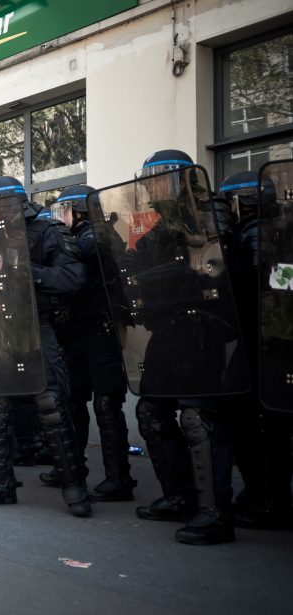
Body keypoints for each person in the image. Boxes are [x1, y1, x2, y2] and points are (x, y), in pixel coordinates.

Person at [122, 149, 236, 544]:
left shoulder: (210, 214)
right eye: (148, 180)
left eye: (158, 179)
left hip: (203, 330)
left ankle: (214, 511)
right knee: (151, 410)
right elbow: (137, 268)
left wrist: (160, 272)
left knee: (198, 418)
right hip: (167, 332)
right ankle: (179, 496)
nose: (152, 187)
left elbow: (215, 265)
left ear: (180, 179)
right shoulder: (157, 226)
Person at [0, 176, 92, 517]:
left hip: (38, 327)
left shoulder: (47, 231)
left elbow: (73, 278)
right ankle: (1, 482)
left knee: (51, 405)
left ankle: (74, 486)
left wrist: (27, 271)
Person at [44, 185, 136, 501]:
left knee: (106, 403)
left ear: (79, 210)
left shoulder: (97, 235)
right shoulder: (81, 236)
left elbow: (83, 255)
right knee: (72, 401)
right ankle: (71, 467)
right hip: (78, 330)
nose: (60, 218)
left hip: (101, 329)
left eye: (64, 211)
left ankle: (119, 478)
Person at [219, 170, 292, 530]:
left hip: (265, 342)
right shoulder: (276, 231)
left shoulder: (257, 236)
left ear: (241, 202)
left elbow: (252, 290)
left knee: (262, 423)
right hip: (269, 340)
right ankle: (260, 489)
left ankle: (273, 499)